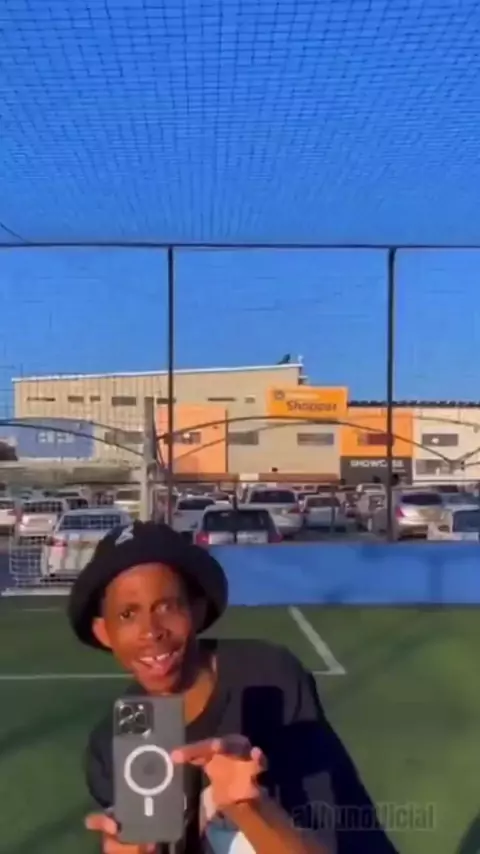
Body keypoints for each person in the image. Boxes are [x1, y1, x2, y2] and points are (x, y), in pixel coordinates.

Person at [67, 521, 398, 854]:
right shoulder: (113, 744)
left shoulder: (268, 678)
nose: (151, 631)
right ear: (103, 632)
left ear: (196, 610)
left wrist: (249, 807)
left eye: (167, 606)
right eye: (127, 614)